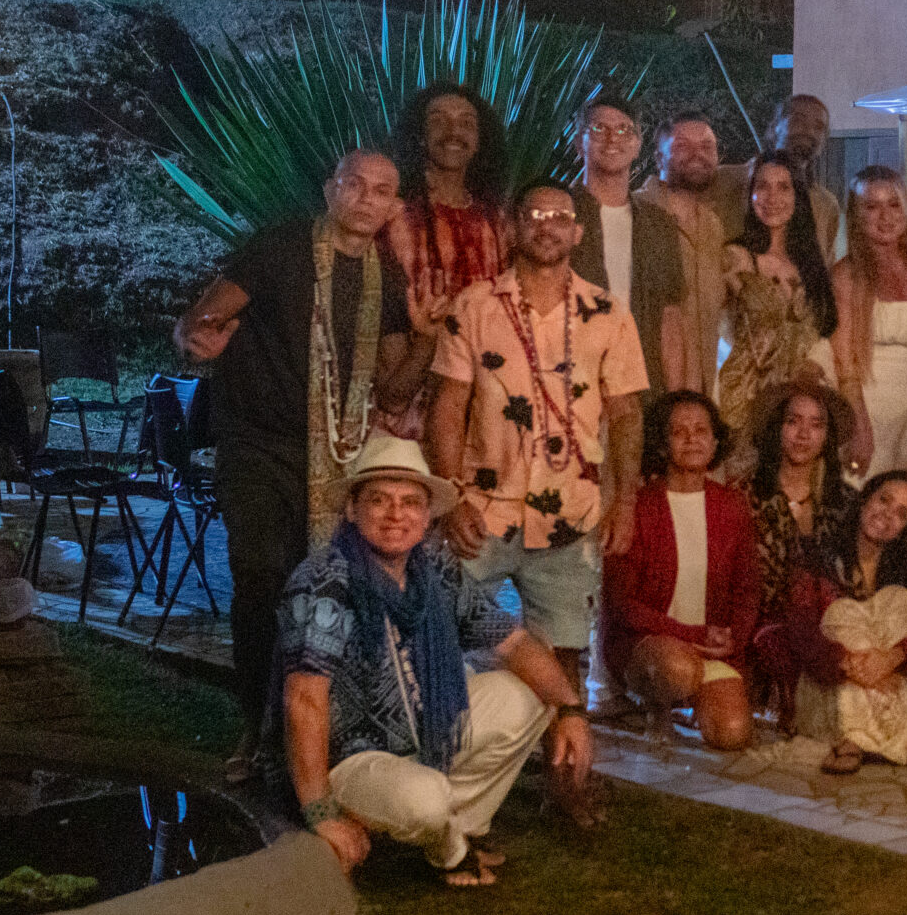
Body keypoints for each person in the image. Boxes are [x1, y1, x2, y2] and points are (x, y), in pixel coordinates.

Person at [174, 148, 438, 778]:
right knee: (262, 576)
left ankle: (313, 728)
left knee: (321, 588)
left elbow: (392, 393)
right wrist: (194, 337)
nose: (366, 199)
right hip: (257, 445)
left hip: (337, 459)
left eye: (382, 191)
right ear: (330, 189)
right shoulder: (281, 247)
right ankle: (257, 726)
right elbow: (199, 321)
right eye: (355, 185)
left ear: (394, 207)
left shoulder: (385, 279)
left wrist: (429, 336)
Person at [426, 184, 650, 812]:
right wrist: (450, 497)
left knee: (565, 654)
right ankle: (438, 769)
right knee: (438, 630)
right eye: (535, 215)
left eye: (560, 217)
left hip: (571, 514)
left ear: (577, 232)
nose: (548, 226)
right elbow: (447, 408)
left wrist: (625, 503)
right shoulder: (475, 306)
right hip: (483, 510)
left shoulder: (608, 312)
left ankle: (565, 781)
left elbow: (626, 415)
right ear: (512, 227)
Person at [281, 434, 589, 888]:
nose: (396, 514)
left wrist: (572, 710)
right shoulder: (325, 580)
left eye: (410, 502)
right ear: (352, 509)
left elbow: (513, 642)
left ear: (427, 516)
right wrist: (319, 811)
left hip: (426, 738)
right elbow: (304, 699)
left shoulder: (435, 571)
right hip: (352, 760)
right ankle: (445, 846)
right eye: (379, 500)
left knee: (531, 695)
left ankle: (449, 823)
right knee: (424, 800)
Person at [603, 391, 763, 750]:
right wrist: (690, 634)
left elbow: (748, 587)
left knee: (732, 733)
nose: (692, 439)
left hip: (710, 645)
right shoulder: (639, 506)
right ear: (662, 444)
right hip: (650, 645)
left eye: (701, 430)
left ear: (715, 441)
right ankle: (656, 708)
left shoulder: (732, 505)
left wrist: (732, 637)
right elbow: (622, 605)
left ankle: (694, 697)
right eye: (679, 432)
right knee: (679, 670)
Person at [786, 470, 907, 774]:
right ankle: (884, 738)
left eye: (901, 514)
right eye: (883, 500)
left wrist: (890, 659)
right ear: (865, 499)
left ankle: (879, 739)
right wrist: (851, 664)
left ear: (905, 528)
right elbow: (801, 633)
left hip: (896, 681)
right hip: (834, 690)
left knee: (897, 601)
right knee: (843, 613)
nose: (887, 514)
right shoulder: (817, 561)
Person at [744, 382, 858, 728]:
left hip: (833, 622)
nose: (803, 434)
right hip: (766, 625)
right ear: (777, 428)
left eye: (816, 424)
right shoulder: (747, 495)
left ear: (827, 436)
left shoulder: (847, 502)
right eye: (793, 421)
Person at [717, 148, 838, 471]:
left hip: (799, 404)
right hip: (746, 400)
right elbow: (707, 325)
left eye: (783, 187)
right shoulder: (736, 258)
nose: (772, 197)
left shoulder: (811, 266)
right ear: (750, 194)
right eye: (763, 186)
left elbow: (824, 329)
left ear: (798, 196)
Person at [832, 165, 907, 478]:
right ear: (855, 214)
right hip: (868, 409)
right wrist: (858, 425)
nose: (885, 216)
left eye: (894, 204)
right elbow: (844, 364)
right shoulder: (846, 276)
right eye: (872, 206)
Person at [568, 99, 688, 402]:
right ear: (579, 142)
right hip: (573, 387)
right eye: (599, 129)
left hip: (642, 389)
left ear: (637, 145)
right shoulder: (559, 217)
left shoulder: (659, 225)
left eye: (624, 130)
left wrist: (673, 402)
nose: (612, 139)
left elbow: (670, 320)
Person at [384, 83, 509, 309]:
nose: (453, 132)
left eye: (466, 123)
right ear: (420, 135)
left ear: (479, 141)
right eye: (438, 121)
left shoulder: (496, 221)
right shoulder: (394, 215)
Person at [641, 113, 730, 397]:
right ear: (659, 157)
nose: (697, 155)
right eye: (682, 146)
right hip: (648, 392)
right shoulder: (638, 214)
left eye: (706, 146)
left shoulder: (713, 226)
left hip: (700, 396)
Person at [723, 94, 840, 257]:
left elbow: (825, 265)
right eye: (798, 120)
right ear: (774, 128)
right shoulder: (724, 181)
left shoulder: (826, 205)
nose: (809, 131)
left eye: (819, 127)